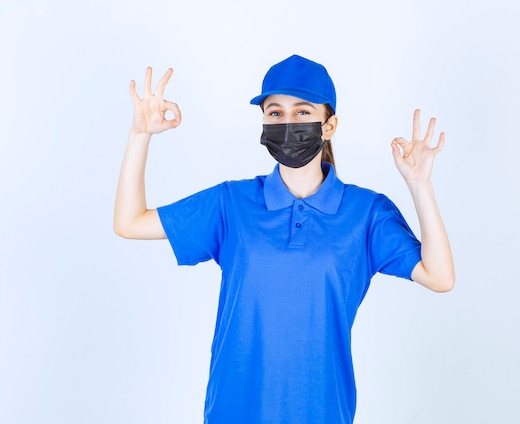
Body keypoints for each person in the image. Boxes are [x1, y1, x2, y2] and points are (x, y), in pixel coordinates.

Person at [114, 54, 454, 424]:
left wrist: (420, 186)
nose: (288, 122)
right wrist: (139, 135)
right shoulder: (232, 203)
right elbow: (129, 222)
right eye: (275, 113)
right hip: (233, 413)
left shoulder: (366, 213)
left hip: (322, 412)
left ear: (329, 125)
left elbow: (439, 277)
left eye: (302, 112)